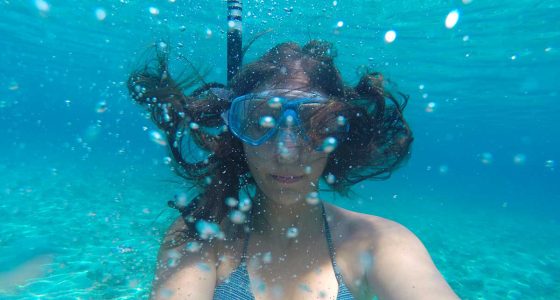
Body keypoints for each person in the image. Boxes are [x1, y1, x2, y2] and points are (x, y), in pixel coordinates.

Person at [128, 40, 459, 300]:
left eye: (315, 125)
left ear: (339, 134)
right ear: (237, 134)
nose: (286, 153)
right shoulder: (203, 233)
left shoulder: (381, 243)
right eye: (260, 123)